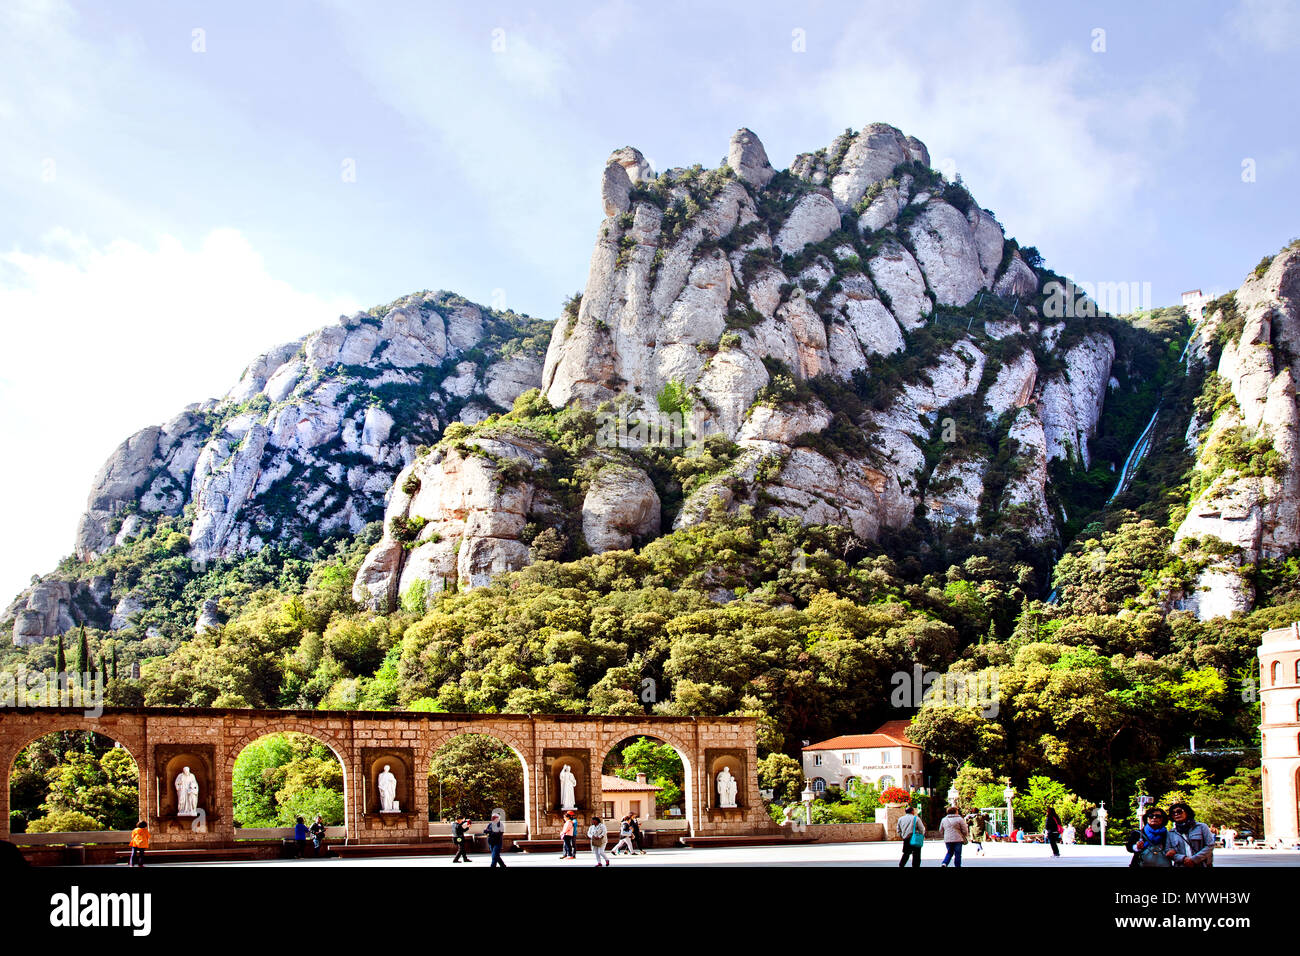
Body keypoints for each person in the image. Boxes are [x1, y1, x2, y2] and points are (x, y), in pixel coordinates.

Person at [1124, 807, 1190, 867]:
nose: (1154, 818)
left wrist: (1172, 851)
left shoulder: (1168, 834)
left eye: (1158, 816)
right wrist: (1136, 847)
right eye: (1151, 816)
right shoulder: (1138, 833)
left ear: (1163, 819)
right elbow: (1129, 847)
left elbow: (1176, 848)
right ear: (1147, 818)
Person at [1169, 803, 1214, 867]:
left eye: (1179, 811)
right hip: (1181, 864)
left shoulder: (1201, 827)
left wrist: (1194, 859)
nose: (1176, 814)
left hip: (1201, 864)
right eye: (1173, 813)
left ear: (1187, 812)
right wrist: (1183, 858)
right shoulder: (1171, 833)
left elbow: (1210, 845)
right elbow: (1168, 851)